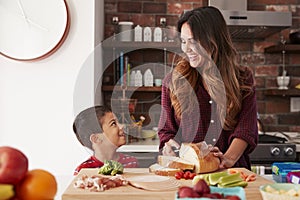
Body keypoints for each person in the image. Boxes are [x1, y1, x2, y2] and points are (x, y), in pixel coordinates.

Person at [158, 6, 258, 170]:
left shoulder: (242, 79)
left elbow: (246, 130)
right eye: (184, 41)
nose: (187, 49)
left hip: (231, 175)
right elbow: (166, 132)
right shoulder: (172, 82)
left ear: (213, 40)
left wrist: (227, 159)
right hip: (188, 175)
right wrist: (169, 147)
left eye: (193, 41)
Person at [73, 105, 138, 175]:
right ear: (96, 139)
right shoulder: (83, 170)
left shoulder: (131, 163)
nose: (122, 126)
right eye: (113, 123)